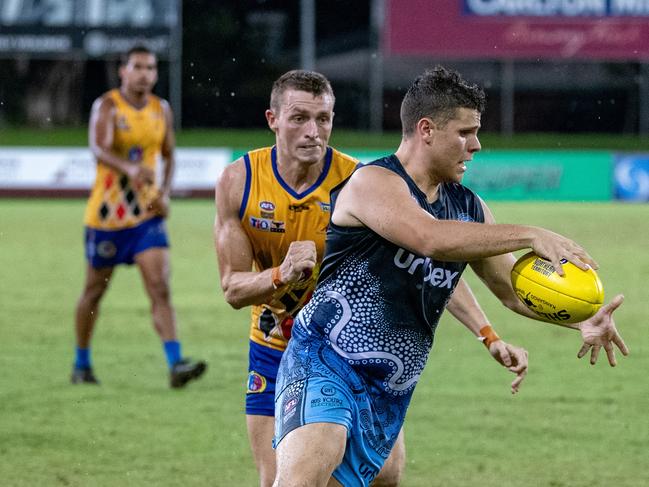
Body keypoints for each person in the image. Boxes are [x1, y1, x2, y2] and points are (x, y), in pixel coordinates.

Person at [272, 66, 629, 487]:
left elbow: (512, 292)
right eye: (466, 132)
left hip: (390, 386)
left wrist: (579, 320)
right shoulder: (375, 182)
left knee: (386, 478)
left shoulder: (468, 208)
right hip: (327, 360)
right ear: (426, 129)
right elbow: (429, 238)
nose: (476, 145)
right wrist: (532, 233)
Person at [214, 70, 529, 487]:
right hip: (280, 345)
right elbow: (233, 289)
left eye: (323, 119)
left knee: (386, 475)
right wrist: (280, 275)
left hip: (367, 357)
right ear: (272, 119)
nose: (313, 131)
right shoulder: (241, 181)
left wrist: (487, 333)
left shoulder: (357, 180)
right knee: (287, 477)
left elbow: (429, 266)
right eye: (299, 119)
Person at [71, 45, 207, 388]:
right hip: (108, 215)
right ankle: (81, 362)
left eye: (150, 68)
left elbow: (169, 155)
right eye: (138, 67)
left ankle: (176, 364)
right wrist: (130, 166)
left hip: (146, 214)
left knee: (160, 287)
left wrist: (164, 192)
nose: (145, 73)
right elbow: (98, 147)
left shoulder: (161, 109)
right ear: (123, 71)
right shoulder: (107, 106)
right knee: (93, 293)